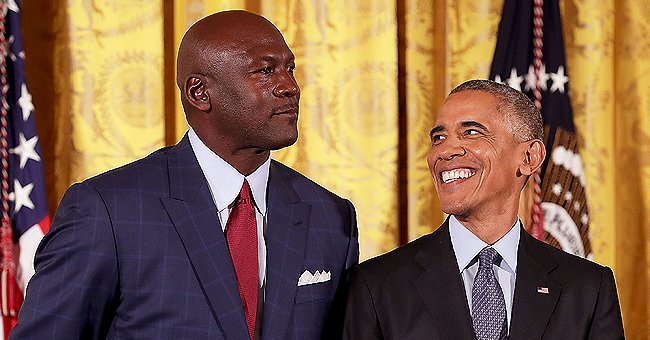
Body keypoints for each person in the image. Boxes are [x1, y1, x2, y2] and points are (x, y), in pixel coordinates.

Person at [11, 10, 358, 340]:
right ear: (199, 92)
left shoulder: (330, 216)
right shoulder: (108, 211)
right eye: (265, 71)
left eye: (290, 69)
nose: (290, 87)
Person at [342, 79, 624, 339]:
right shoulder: (377, 286)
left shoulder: (588, 289)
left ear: (529, 157)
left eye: (471, 133)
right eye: (439, 138)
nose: (444, 151)